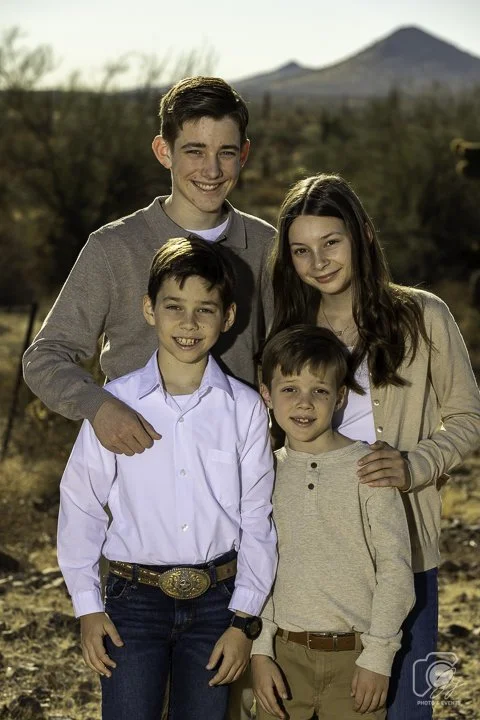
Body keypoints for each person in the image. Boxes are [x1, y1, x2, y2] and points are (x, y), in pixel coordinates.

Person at [266, 173, 480, 719]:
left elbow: (468, 415)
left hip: (405, 552)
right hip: (311, 565)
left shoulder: (423, 315)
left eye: (331, 242)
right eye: (301, 250)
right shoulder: (288, 331)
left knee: (408, 707)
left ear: (362, 234)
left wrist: (416, 464)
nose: (318, 262)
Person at [57, 237, 277, 720]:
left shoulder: (245, 410)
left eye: (206, 309)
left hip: (218, 605)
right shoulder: (115, 404)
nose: (189, 323)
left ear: (229, 316)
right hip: (131, 606)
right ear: (148, 309)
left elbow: (258, 519)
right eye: (174, 306)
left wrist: (244, 620)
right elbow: (81, 502)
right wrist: (88, 606)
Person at [22, 75, 274, 458]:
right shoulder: (113, 248)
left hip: (235, 470)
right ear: (163, 151)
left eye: (225, 152)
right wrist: (100, 408)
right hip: (136, 463)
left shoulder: (267, 246)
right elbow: (45, 357)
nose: (211, 170)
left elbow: (294, 356)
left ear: (243, 154)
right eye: (194, 151)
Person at [251, 324, 415, 720]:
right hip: (283, 658)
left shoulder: (369, 468)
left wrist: (377, 657)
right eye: (289, 389)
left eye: (319, 391)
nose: (304, 403)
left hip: (355, 659)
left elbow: (395, 570)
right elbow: (259, 567)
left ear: (340, 397)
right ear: (267, 395)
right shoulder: (263, 472)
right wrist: (260, 652)